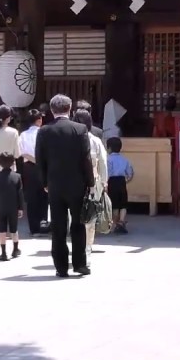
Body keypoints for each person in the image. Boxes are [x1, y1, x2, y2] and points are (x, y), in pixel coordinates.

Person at [35, 94, 95, 277]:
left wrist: (44, 182)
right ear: (70, 109)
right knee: (78, 223)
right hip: (77, 183)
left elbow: (40, 159)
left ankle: (61, 267)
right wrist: (90, 182)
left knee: (58, 226)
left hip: (54, 183)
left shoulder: (44, 131)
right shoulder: (80, 129)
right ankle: (79, 264)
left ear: (52, 111)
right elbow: (86, 158)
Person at [74, 108, 108, 253]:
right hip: (93, 181)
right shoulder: (95, 141)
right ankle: (87, 246)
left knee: (74, 215)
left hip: (73, 181)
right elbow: (103, 162)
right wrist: (104, 181)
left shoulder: (71, 140)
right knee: (90, 216)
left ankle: (79, 246)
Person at [0, 152, 25, 261]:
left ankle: (3, 253)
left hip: (1, 207)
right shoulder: (17, 177)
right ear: (13, 162)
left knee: (2, 230)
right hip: (13, 207)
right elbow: (20, 194)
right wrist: (20, 208)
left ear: (0, 163)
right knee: (14, 229)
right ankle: (15, 249)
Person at [18, 109, 47, 236]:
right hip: (43, 165)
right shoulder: (44, 133)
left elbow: (21, 152)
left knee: (31, 197)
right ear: (39, 120)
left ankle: (33, 228)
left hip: (28, 167)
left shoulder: (23, 134)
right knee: (44, 196)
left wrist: (33, 160)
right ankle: (43, 224)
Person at [105, 136, 134, 234]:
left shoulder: (108, 159)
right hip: (122, 181)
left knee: (115, 205)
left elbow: (108, 173)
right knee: (123, 204)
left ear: (108, 148)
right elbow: (130, 172)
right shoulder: (125, 159)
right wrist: (127, 180)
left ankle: (115, 224)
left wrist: (105, 183)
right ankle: (122, 221)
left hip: (112, 182)